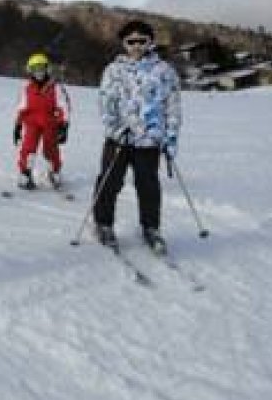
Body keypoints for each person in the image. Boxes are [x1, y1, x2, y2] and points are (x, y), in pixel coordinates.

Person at [92, 19, 181, 255]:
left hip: (149, 140)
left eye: (142, 41)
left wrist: (169, 139)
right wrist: (115, 128)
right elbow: (105, 103)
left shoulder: (164, 71)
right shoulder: (113, 70)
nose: (136, 46)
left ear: (150, 42)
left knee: (148, 185)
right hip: (119, 138)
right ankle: (103, 223)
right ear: (124, 43)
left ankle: (151, 228)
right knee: (109, 182)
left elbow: (172, 107)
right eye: (131, 41)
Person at [13, 52, 70, 189]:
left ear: (47, 69)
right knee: (28, 148)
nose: (39, 72)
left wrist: (63, 126)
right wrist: (18, 126)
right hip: (32, 123)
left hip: (50, 122)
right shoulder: (27, 89)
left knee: (50, 149)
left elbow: (64, 106)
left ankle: (54, 172)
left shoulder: (55, 88)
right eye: (35, 69)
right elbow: (21, 107)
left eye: (41, 68)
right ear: (30, 71)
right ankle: (25, 174)